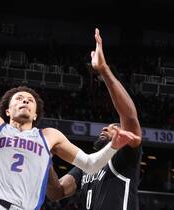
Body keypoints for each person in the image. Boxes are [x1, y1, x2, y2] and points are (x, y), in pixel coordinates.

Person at [0, 17, 140, 210]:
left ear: (36, 113)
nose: (25, 100)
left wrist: (113, 146)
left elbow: (89, 165)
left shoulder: (50, 136)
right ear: (7, 109)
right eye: (18, 98)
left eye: (30, 100)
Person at [46, 28, 142, 210]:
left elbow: (129, 115)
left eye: (112, 127)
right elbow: (56, 192)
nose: (104, 129)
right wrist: (46, 161)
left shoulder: (125, 156)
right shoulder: (86, 166)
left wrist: (104, 71)